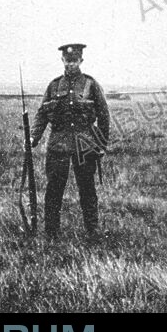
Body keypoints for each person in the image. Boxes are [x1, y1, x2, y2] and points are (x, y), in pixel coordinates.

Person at [31, 43, 110, 242]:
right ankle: (51, 232)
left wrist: (101, 144)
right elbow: (42, 114)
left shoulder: (91, 84)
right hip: (58, 145)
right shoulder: (54, 85)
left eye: (75, 60)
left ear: (81, 61)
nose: (71, 64)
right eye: (68, 61)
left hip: (85, 145)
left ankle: (92, 231)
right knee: (54, 189)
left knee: (87, 189)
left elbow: (103, 115)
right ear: (62, 61)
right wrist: (33, 137)